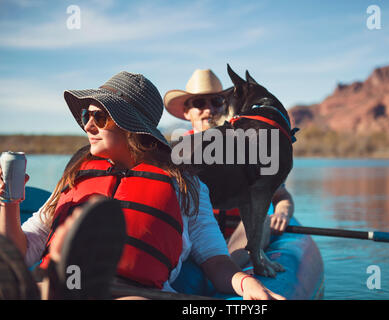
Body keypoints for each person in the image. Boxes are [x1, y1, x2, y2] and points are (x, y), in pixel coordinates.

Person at [0, 71, 284, 300]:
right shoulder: (77, 173)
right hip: (54, 285)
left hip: (135, 294)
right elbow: (20, 252)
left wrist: (245, 284)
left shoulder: (185, 184)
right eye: (87, 116)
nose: (87, 126)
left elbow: (214, 259)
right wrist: (9, 203)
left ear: (129, 124)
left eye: (99, 117)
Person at [164, 69, 295, 266]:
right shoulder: (175, 152)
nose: (209, 110)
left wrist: (282, 212)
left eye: (217, 102)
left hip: (234, 239)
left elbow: (281, 196)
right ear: (186, 112)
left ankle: (231, 268)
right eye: (199, 103)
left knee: (261, 220)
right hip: (191, 236)